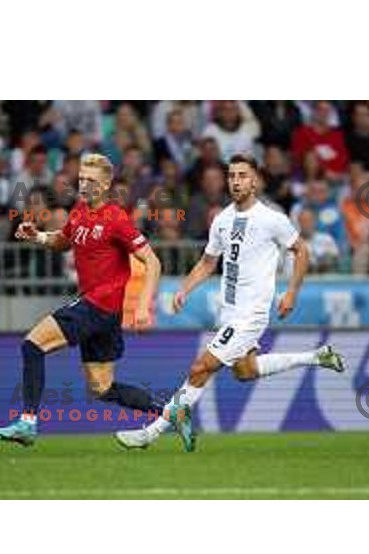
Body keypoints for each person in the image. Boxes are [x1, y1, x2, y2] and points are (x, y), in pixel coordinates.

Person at [116, 154, 346, 452]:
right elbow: (208, 262)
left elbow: (301, 251)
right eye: (232, 175)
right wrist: (184, 289)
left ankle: (151, 432)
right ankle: (317, 357)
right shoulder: (222, 219)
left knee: (201, 367)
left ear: (255, 180)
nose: (236, 181)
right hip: (230, 311)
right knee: (245, 371)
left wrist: (291, 293)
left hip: (251, 314)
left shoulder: (272, 219)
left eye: (242, 175)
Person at [0, 153, 162, 446]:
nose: (84, 185)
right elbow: (64, 240)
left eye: (91, 180)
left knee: (32, 345)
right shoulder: (80, 210)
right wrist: (38, 237)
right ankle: (170, 412)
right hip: (102, 313)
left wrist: (144, 305)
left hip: (99, 305)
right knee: (102, 388)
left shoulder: (116, 218)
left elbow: (153, 262)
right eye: (81, 179)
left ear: (106, 184)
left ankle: (27, 423)